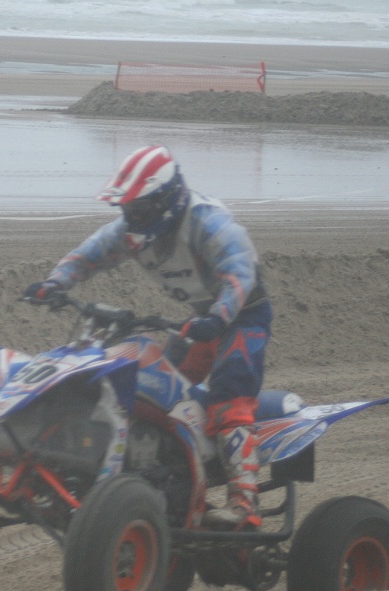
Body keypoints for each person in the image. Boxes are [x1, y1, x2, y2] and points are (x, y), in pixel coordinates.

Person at [23, 145, 272, 529]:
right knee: (153, 392)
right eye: (127, 209)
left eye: (139, 209)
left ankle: (244, 503)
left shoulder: (208, 222)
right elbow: (86, 256)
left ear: (166, 200)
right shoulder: (128, 232)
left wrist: (220, 317)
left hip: (242, 316)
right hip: (200, 319)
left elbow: (240, 275)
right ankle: (165, 479)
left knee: (229, 400)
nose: (131, 217)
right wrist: (55, 283)